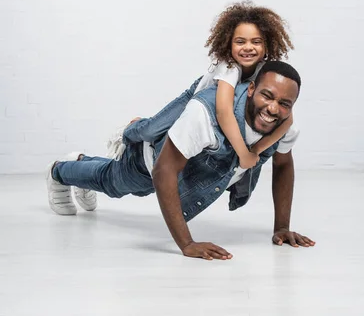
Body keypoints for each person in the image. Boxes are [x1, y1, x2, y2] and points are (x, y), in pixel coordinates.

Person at [46, 61, 315, 260]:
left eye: (285, 103)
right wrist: (186, 243)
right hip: (149, 161)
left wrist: (282, 227)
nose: (273, 109)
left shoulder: (284, 128)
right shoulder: (205, 113)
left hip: (179, 168)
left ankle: (82, 164)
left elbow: (283, 164)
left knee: (113, 181)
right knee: (112, 183)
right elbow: (164, 170)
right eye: (267, 95)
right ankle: (61, 170)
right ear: (251, 88)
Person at [108, 1, 297, 169]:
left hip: (208, 115)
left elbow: (287, 120)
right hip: (196, 98)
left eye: (256, 42)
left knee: (166, 139)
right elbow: (223, 111)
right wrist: (243, 153)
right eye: (240, 42)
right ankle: (129, 129)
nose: (248, 47)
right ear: (229, 44)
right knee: (151, 131)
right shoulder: (229, 67)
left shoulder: (266, 73)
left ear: (267, 46)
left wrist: (256, 149)